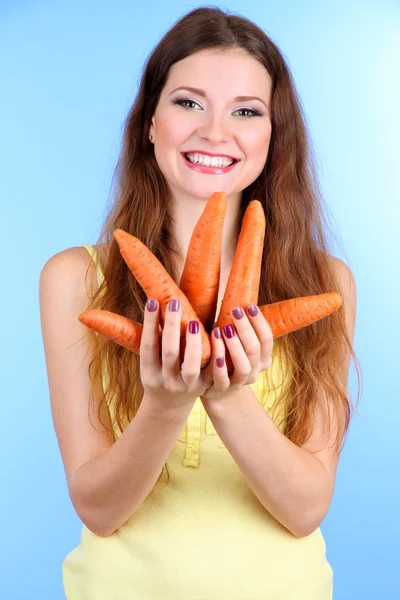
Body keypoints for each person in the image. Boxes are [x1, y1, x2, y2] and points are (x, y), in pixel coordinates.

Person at [39, 6, 361, 600]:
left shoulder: (325, 282)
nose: (216, 132)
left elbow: (305, 509)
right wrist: (163, 407)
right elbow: (97, 510)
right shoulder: (76, 278)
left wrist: (230, 395)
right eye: (188, 103)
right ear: (150, 123)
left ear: (273, 135)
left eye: (246, 111)